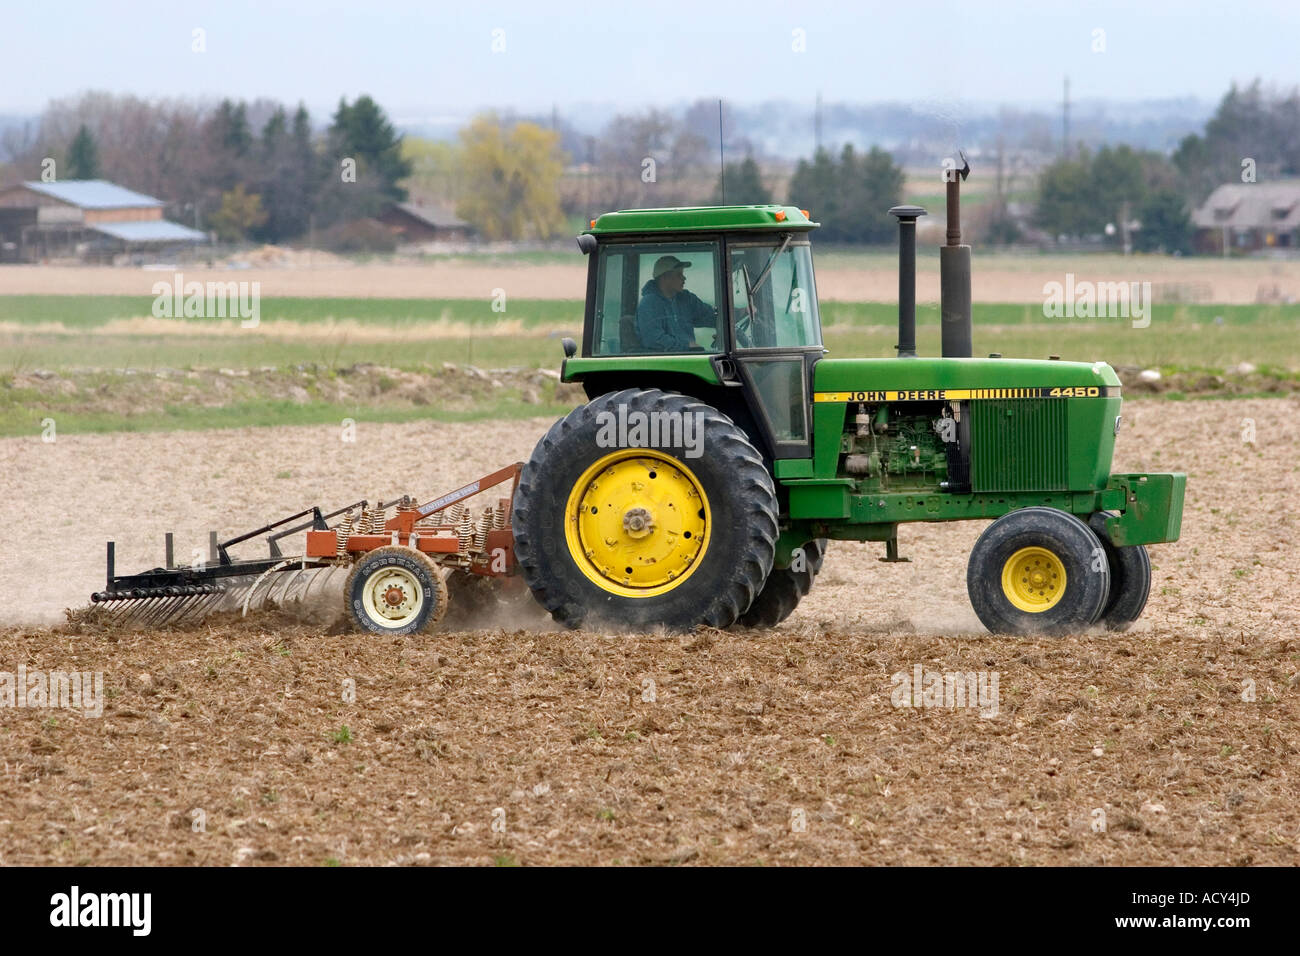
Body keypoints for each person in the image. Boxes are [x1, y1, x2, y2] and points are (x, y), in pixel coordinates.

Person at [636, 255, 717, 351]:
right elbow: (653, 339)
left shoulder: (687, 299)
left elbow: (710, 316)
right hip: (664, 362)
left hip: (689, 356)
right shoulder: (648, 304)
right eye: (679, 274)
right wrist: (686, 346)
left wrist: (734, 316)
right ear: (665, 277)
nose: (684, 278)